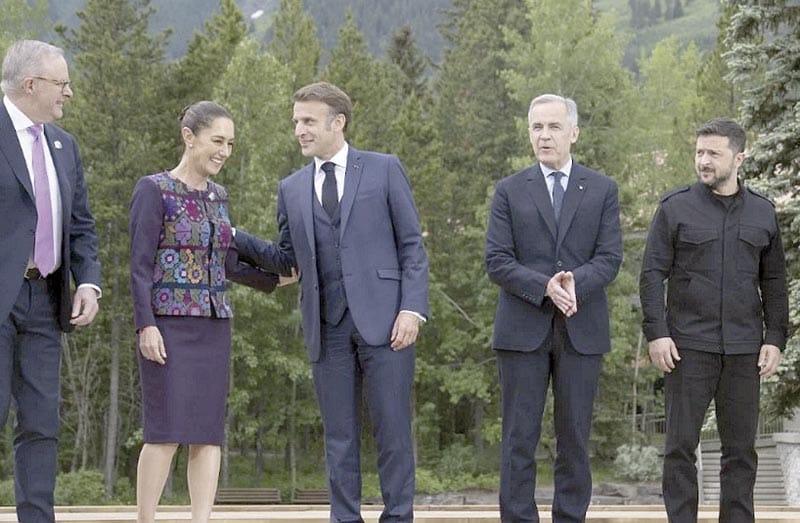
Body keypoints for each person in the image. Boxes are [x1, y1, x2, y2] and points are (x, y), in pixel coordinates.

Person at [235, 81, 429, 523]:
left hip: (388, 323)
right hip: (326, 326)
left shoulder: (383, 169)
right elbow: (287, 260)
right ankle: (344, 518)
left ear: (337, 122)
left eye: (308, 121)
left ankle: (398, 517)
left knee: (393, 432)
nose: (299, 130)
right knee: (339, 437)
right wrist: (234, 237)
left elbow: (412, 246)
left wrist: (412, 309)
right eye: (296, 121)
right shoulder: (291, 188)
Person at [129, 101, 290, 523]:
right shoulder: (153, 190)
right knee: (165, 431)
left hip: (214, 325)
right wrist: (146, 325)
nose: (225, 151)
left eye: (230, 144)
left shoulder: (219, 197)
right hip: (167, 325)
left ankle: (201, 519)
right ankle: (146, 518)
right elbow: (140, 266)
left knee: (207, 434)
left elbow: (226, 262)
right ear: (189, 136)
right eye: (218, 141)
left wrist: (273, 280)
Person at [639, 118, 788, 523]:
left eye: (713, 154)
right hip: (687, 348)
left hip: (744, 350)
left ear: (739, 158)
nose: (703, 161)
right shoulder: (674, 208)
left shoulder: (763, 212)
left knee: (740, 453)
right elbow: (651, 274)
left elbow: (775, 281)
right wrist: (657, 334)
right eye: (699, 152)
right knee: (679, 448)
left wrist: (775, 337)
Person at [485, 94, 623, 522]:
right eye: (537, 127)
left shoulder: (602, 189)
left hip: (581, 329)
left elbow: (610, 257)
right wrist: (544, 286)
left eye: (554, 127)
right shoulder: (509, 191)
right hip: (521, 329)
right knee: (518, 439)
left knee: (575, 439)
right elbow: (497, 260)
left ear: (574, 133)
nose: (544, 136)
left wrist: (574, 283)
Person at [0, 40, 102, 523]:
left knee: (42, 423)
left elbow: (81, 225)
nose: (69, 92)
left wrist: (88, 283)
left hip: (44, 298)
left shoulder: (64, 145)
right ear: (30, 84)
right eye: (61, 83)